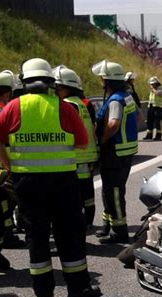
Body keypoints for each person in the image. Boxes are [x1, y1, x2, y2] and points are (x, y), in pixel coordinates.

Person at [0, 58, 102, 297]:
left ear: (24, 81)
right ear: (50, 82)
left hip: (26, 183)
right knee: (69, 234)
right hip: (62, 182)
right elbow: (81, 141)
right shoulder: (64, 108)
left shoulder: (13, 107)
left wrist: (9, 166)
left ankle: (45, 295)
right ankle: (78, 289)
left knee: (37, 236)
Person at [92, 59, 142, 243]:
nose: (100, 82)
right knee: (109, 190)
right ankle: (107, 225)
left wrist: (103, 139)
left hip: (114, 152)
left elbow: (113, 123)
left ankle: (119, 231)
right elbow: (138, 117)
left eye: (102, 79)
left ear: (107, 81)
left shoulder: (114, 100)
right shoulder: (126, 96)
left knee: (113, 192)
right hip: (125, 152)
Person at [53, 65, 98, 231]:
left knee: (75, 194)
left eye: (56, 88)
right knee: (87, 192)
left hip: (76, 156)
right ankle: (87, 221)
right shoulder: (81, 103)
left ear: (62, 87)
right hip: (87, 155)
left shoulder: (67, 105)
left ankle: (79, 223)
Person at [0, 70, 25, 250]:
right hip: (3, 167)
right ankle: (5, 237)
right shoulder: (2, 110)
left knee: (4, 203)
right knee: (5, 203)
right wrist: (9, 167)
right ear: (7, 92)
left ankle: (7, 235)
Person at [144, 76, 162, 141]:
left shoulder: (160, 88)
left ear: (156, 83)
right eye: (151, 84)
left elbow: (159, 94)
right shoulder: (152, 89)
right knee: (149, 121)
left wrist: (153, 89)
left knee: (158, 122)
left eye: (153, 84)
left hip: (158, 107)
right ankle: (149, 135)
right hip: (151, 106)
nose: (152, 85)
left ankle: (158, 136)